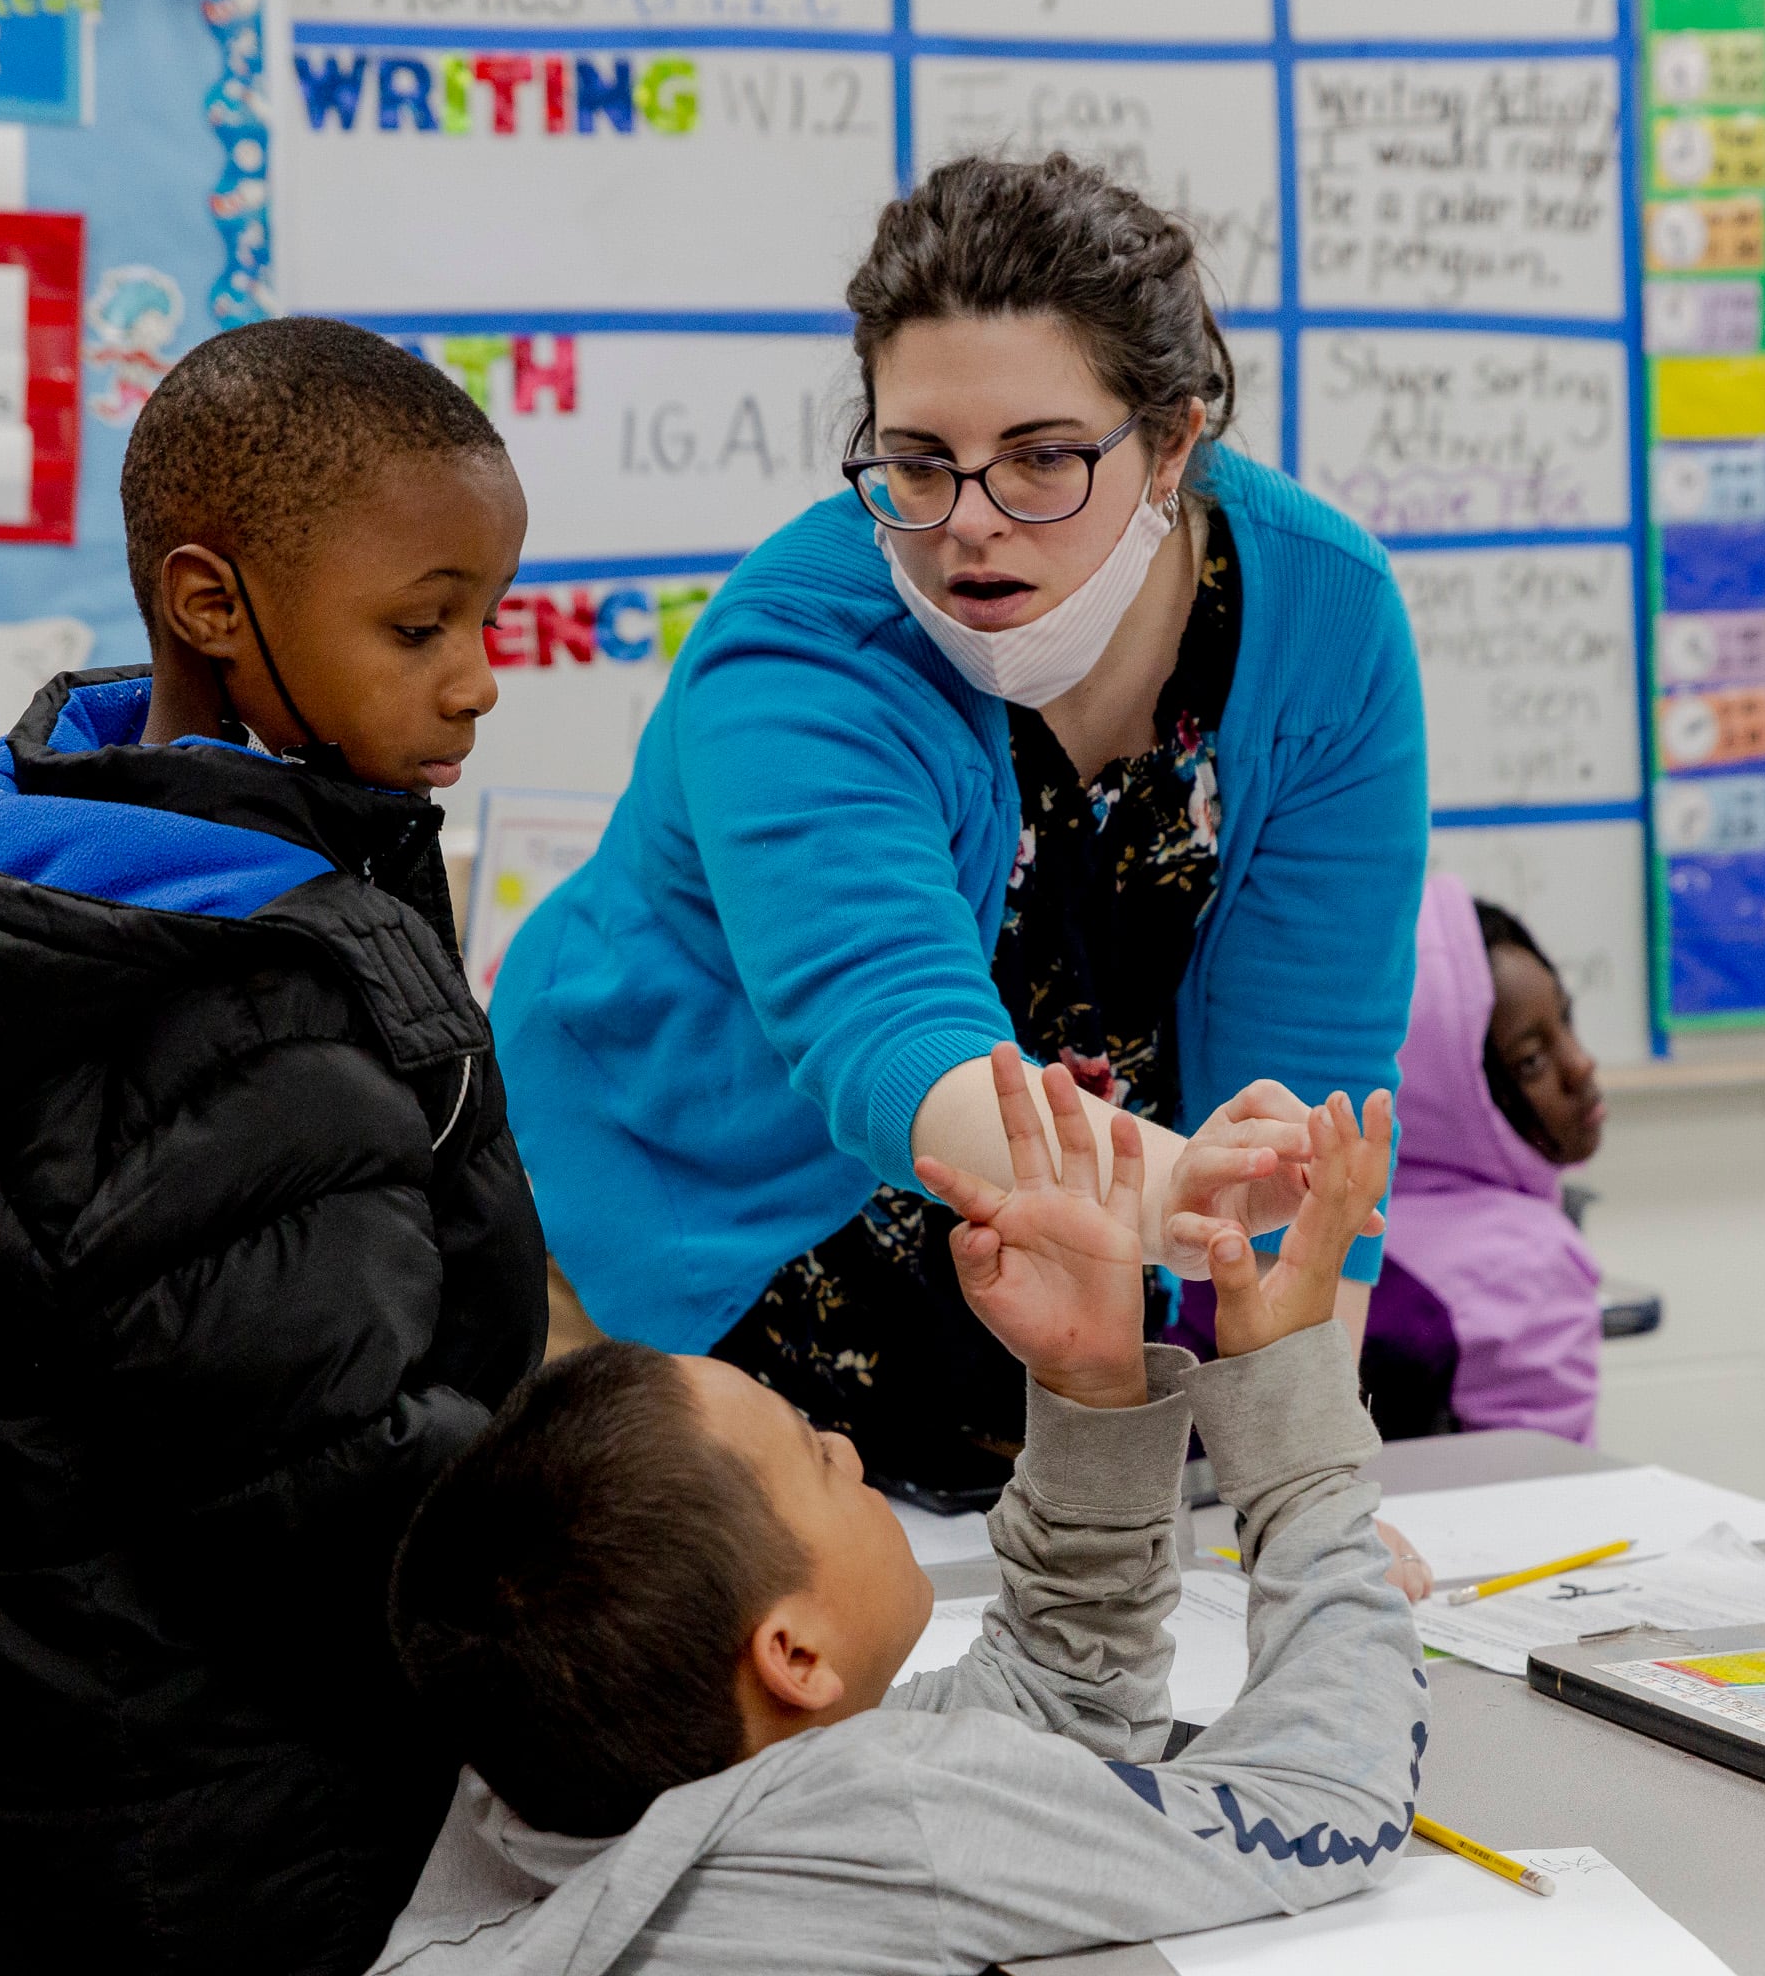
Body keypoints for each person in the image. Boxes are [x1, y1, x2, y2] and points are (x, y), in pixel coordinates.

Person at [0, 318, 549, 1975]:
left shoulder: (76, 855)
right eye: (422, 626)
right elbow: (323, 1473)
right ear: (214, 606)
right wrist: (644, 1532)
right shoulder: (213, 977)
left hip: (94, 1734)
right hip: (222, 1782)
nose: (478, 675)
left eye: (491, 617)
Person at [490, 152, 1429, 1505]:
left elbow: (1314, 1094)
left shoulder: (1320, 616)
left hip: (1045, 1295)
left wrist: (1305, 1474)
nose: (969, 529)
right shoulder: (805, 641)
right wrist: (1198, 1203)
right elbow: (896, 1054)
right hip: (681, 1259)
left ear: (1171, 442)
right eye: (920, 464)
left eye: (1043, 460)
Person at [374, 1051, 1422, 1975]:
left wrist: (1093, 1387)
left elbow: (1062, 1712)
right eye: (817, 1456)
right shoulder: (895, 1822)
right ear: (790, 1652)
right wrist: (1300, 1452)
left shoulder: (529, 1794)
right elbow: (1324, 1801)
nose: (851, 1448)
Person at [1174, 875, 1607, 1441]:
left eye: (1566, 1020)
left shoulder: (1275, 1204)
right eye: (1530, 1061)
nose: (1582, 1065)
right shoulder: (1532, 1266)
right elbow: (1547, 1500)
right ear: (1443, 1090)